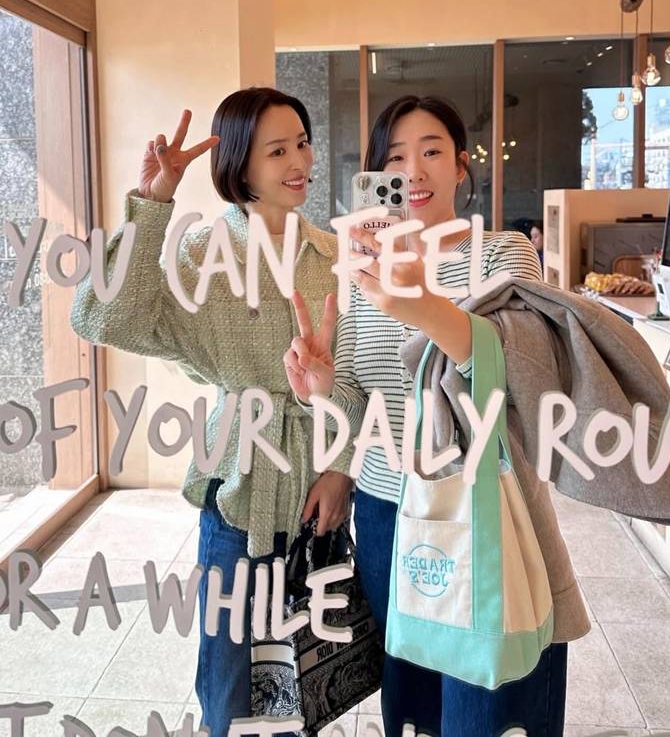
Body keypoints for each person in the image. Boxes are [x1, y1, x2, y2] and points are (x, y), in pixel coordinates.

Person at [69, 88, 353, 737]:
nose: (299, 161)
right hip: (236, 492)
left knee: (311, 676)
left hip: (320, 493)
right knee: (229, 682)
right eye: (276, 150)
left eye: (302, 143)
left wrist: (340, 468)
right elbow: (103, 318)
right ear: (239, 164)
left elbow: (362, 373)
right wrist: (153, 204)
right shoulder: (202, 254)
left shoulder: (336, 256)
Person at [284, 95, 570, 737]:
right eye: (394, 158)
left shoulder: (501, 254)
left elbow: (522, 375)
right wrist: (321, 388)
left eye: (432, 152)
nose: (413, 171)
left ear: (461, 167)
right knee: (413, 706)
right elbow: (359, 402)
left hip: (483, 507)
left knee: (485, 703)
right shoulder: (361, 272)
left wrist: (420, 300)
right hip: (387, 512)